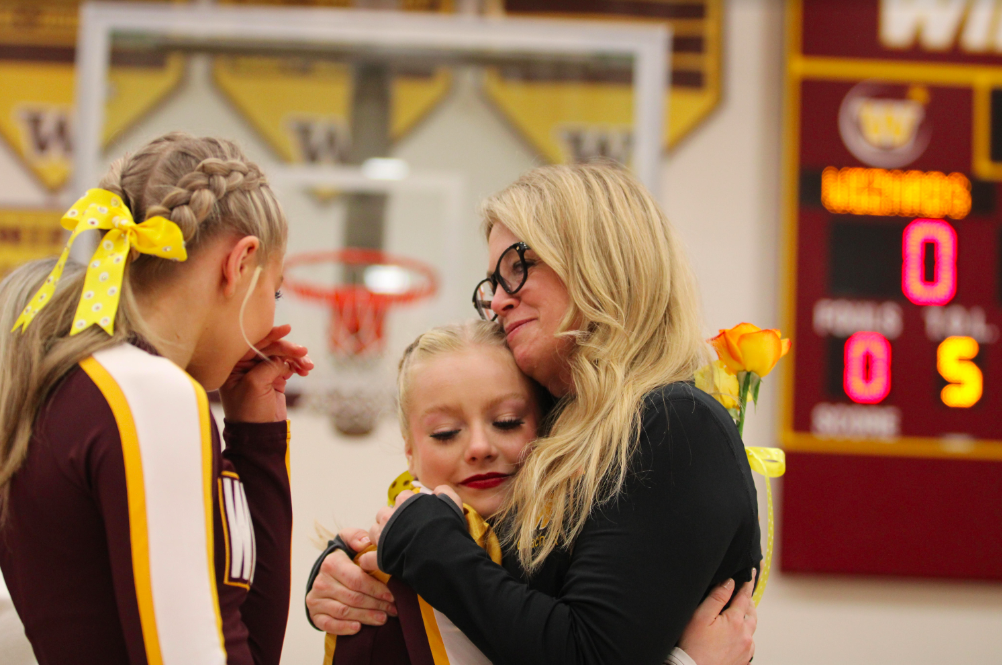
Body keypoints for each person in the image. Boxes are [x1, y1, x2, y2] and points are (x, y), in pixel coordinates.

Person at [307, 163, 761, 665]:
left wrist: (429, 546)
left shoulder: (673, 424)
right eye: (492, 283)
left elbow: (587, 652)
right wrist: (354, 570)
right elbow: (493, 587)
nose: (499, 301)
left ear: (599, 261)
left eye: (518, 267)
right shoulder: (565, 427)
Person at [0, 132, 313, 665]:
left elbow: (245, 642)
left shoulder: (63, 383)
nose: (272, 320)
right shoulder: (150, 394)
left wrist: (255, 436)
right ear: (240, 263)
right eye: (275, 291)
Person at [321, 320, 754, 665]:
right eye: (445, 432)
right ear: (410, 452)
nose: (478, 448)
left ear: (550, 430)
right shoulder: (374, 583)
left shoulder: (590, 540)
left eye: (507, 422)